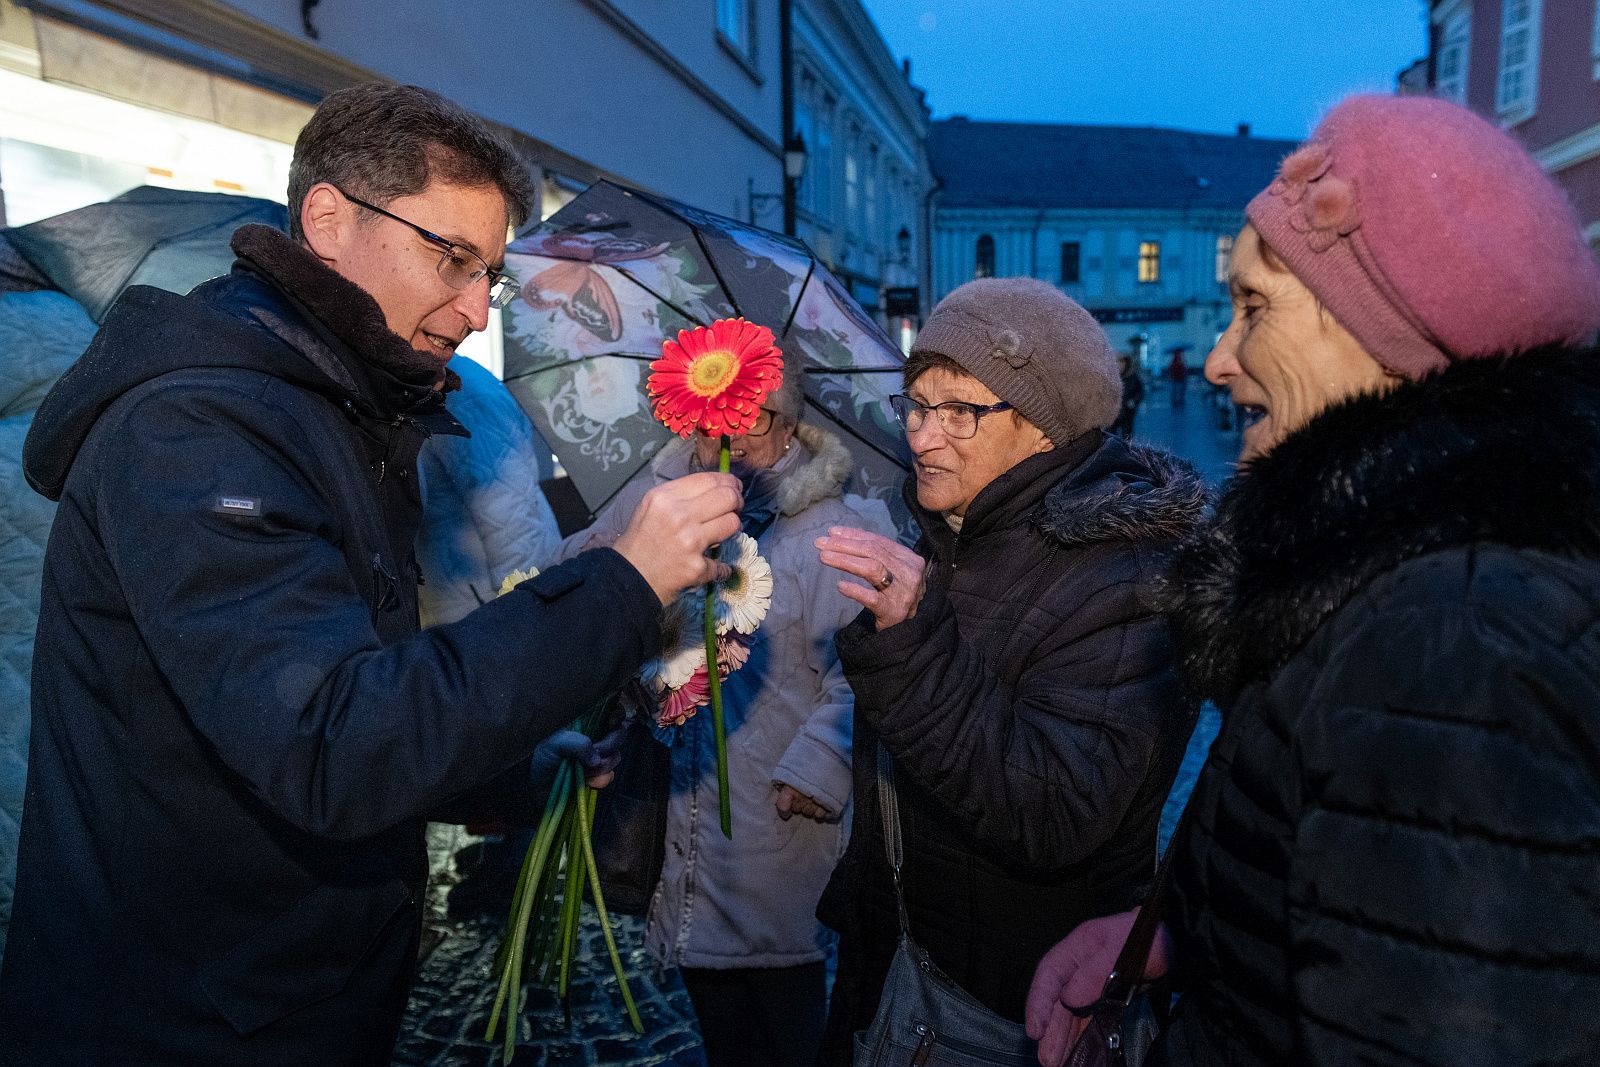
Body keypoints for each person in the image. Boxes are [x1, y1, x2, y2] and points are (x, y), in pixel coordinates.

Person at [0, 83, 741, 1065]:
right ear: (328, 219)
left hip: (274, 993)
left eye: (489, 277)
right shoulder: (201, 426)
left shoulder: (340, 409)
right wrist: (619, 581)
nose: (473, 311)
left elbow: (333, 692)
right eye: (451, 257)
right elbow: (329, 743)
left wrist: (509, 770)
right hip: (183, 1018)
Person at [1026, 95, 1600, 1067]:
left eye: (1254, 309)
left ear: (1392, 335)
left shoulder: (1452, 647)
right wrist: (1189, 932)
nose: (1217, 360)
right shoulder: (1389, 577)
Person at [812, 277, 1205, 1063]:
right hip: (900, 971)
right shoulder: (953, 532)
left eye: (960, 410)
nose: (924, 436)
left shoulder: (1124, 573)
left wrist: (915, 643)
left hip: (1010, 1013)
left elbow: (1053, 810)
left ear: (1043, 429)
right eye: (918, 406)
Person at [558, 368, 889, 1067]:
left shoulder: (832, 534)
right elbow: (582, 579)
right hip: (688, 810)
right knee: (719, 1015)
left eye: (751, 418)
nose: (726, 438)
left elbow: (865, 673)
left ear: (789, 425)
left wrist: (819, 767)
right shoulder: (665, 508)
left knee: (786, 1016)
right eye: (709, 423)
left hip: (775, 814)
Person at [416, 354, 561, 628]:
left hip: (486, 606)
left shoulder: (461, 392)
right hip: (461, 598)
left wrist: (522, 613)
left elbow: (509, 516)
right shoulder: (428, 383)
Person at [1110, 351, 1144, 437]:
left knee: (1127, 434)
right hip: (1114, 412)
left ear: (1126, 364)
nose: (1119, 365)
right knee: (1110, 434)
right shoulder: (1112, 377)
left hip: (1127, 412)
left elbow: (1140, 392)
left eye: (1122, 363)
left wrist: (1133, 401)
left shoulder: (1133, 377)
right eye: (1118, 362)